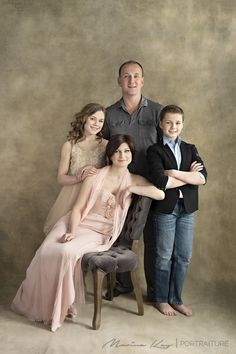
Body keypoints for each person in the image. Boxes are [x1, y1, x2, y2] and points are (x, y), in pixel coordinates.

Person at [11, 134, 165, 332]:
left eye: (127, 151)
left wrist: (131, 188)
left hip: (98, 232)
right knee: (46, 250)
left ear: (132, 155)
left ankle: (60, 306)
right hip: (76, 223)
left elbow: (160, 193)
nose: (122, 155)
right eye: (117, 151)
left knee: (65, 253)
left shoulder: (135, 179)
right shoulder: (95, 176)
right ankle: (40, 303)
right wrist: (72, 232)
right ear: (110, 155)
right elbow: (77, 208)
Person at [102, 60, 163, 296]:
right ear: (119, 81)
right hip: (122, 184)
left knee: (153, 240)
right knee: (121, 235)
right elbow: (103, 151)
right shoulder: (108, 114)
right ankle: (122, 284)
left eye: (136, 76)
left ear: (143, 80)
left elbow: (167, 146)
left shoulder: (157, 111)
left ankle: (156, 292)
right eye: (126, 76)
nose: (132, 80)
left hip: (151, 185)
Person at [145, 104, 207, 316]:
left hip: (187, 209)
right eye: (169, 122)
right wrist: (186, 176)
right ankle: (161, 299)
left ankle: (176, 299)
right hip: (165, 209)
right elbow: (161, 181)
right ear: (161, 124)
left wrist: (173, 172)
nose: (173, 126)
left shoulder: (190, 148)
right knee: (163, 255)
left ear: (182, 124)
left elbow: (202, 178)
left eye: (178, 123)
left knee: (183, 256)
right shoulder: (154, 150)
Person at [44, 103, 107, 235]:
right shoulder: (70, 145)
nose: (97, 123)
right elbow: (61, 178)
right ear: (84, 118)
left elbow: (111, 172)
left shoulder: (106, 145)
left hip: (93, 196)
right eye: (93, 118)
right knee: (63, 234)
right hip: (71, 196)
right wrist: (78, 177)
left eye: (101, 120)